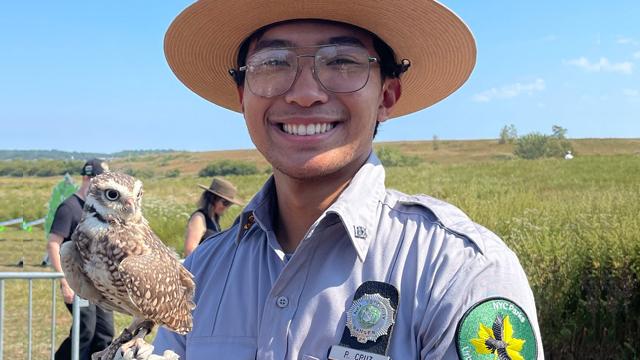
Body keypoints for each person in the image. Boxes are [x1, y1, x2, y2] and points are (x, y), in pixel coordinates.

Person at [149, 1, 545, 359]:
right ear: (242, 96)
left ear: (387, 97)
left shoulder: (458, 270)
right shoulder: (201, 273)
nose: (305, 94)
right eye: (273, 63)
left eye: (342, 62)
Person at [47, 159, 115, 360]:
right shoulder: (69, 208)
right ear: (87, 178)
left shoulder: (99, 211)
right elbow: (53, 244)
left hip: (100, 284)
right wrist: (64, 280)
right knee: (85, 330)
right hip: (77, 282)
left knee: (105, 333)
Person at [183, 177, 243, 256]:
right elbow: (190, 251)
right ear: (213, 199)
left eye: (229, 204)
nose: (226, 207)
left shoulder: (214, 219)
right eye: (225, 203)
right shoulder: (199, 218)